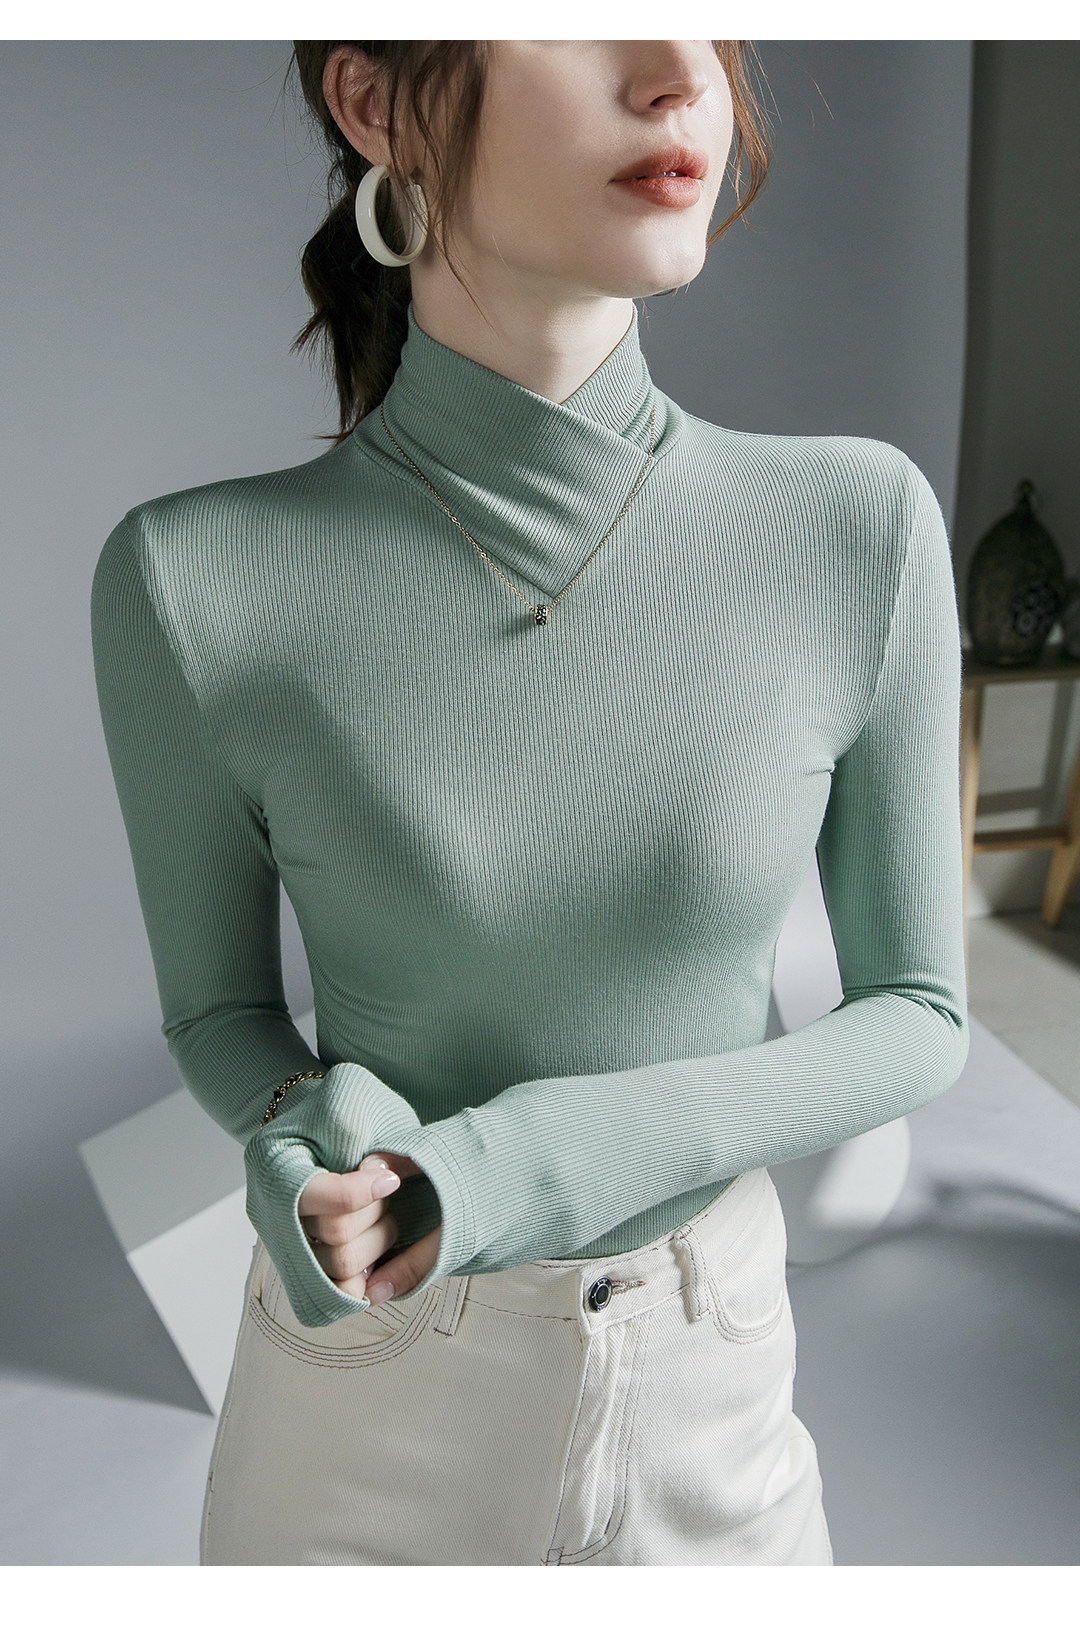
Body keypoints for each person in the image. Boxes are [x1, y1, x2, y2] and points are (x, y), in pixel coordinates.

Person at [90, 40, 969, 1566]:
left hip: (714, 1401)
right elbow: (219, 1017)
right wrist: (309, 1131)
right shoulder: (189, 578)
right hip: (367, 1408)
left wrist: (530, 1161)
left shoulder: (858, 527)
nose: (678, 71)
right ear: (374, 103)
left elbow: (919, 1012)